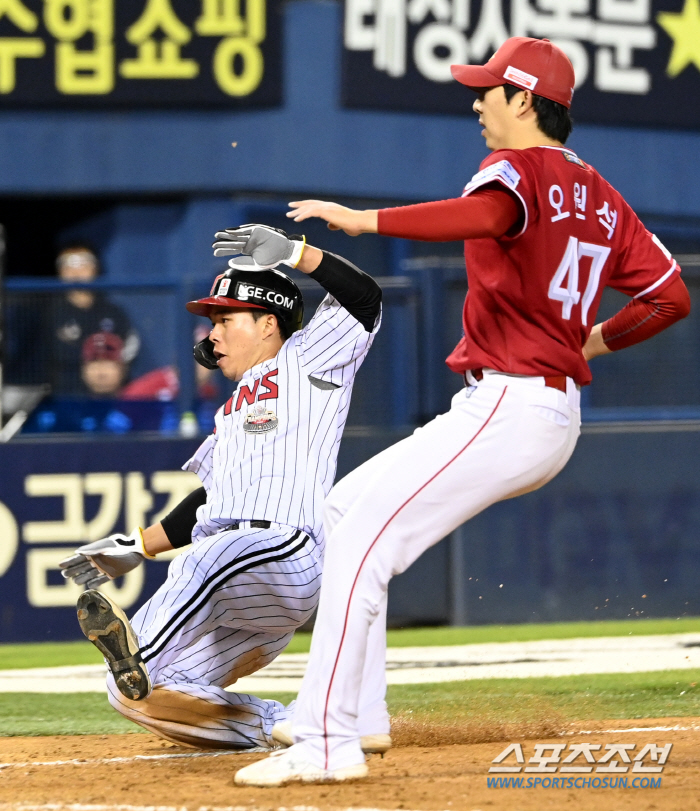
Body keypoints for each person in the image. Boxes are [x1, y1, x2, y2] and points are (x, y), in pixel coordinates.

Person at [233, 37, 691, 786]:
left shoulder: (516, 170)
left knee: (360, 541)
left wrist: (361, 220)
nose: (477, 102)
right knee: (346, 513)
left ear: (524, 100)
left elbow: (480, 215)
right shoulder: (602, 194)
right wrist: (590, 342)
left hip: (511, 402)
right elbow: (669, 296)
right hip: (545, 408)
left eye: (488, 91)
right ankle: (362, 716)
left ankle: (324, 741)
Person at [59, 228, 383, 751]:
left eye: (225, 319)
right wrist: (139, 544)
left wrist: (299, 255)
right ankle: (292, 726)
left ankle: (136, 650)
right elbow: (209, 502)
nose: (212, 335)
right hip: (240, 585)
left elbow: (365, 297)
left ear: (268, 324)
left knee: (199, 562)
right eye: (212, 321)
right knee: (135, 696)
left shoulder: (307, 361)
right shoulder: (230, 413)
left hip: (284, 552)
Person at [49, 243, 139, 395]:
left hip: (112, 397)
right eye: (68, 265)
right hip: (64, 396)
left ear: (95, 268)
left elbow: (129, 347)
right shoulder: (50, 313)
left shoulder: (113, 312)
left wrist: (113, 366)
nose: (76, 271)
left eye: (83, 263)